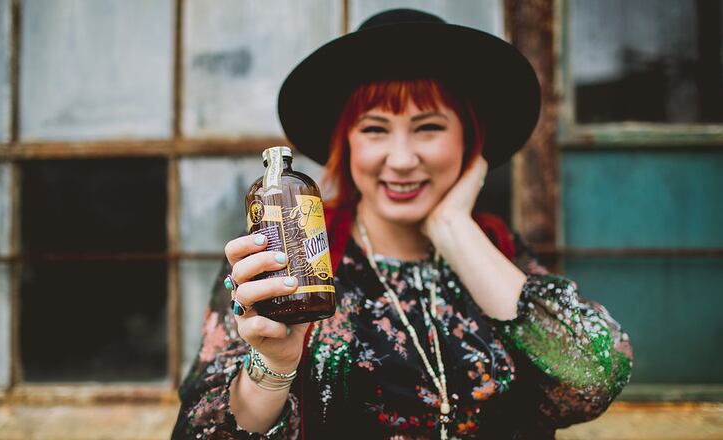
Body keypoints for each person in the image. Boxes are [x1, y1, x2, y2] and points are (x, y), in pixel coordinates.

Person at [171, 9, 633, 440]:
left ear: (468, 141)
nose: (403, 159)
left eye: (428, 127)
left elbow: (591, 381)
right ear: (346, 145)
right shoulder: (292, 262)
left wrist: (453, 225)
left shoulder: (498, 249)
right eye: (374, 129)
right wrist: (272, 364)